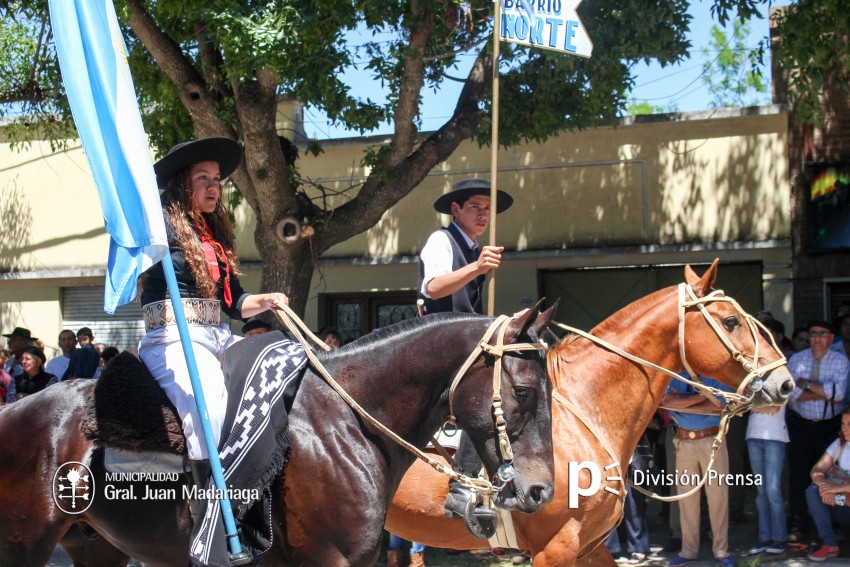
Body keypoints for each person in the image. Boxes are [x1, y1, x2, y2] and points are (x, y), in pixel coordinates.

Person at [137, 137, 289, 493]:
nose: (213, 186)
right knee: (207, 407)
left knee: (285, 362)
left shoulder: (213, 235)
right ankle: (212, 505)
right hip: (173, 338)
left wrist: (265, 300)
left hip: (217, 335)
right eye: (202, 177)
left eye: (217, 179)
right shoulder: (155, 226)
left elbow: (235, 303)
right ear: (180, 183)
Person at [417, 178, 513, 537]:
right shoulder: (441, 240)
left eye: (487, 208)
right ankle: (462, 488)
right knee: (484, 396)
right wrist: (476, 268)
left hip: (464, 343)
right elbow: (434, 287)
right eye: (475, 206)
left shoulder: (476, 249)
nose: (483, 213)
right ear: (455, 209)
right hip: (439, 343)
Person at [786, 320, 849, 539]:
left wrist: (806, 384)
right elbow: (792, 397)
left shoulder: (841, 361)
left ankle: (834, 525)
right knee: (799, 477)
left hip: (830, 427)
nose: (817, 338)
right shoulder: (796, 360)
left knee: (832, 476)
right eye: (813, 334)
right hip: (801, 426)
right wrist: (824, 391)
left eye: (822, 334)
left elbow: (839, 395)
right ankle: (799, 526)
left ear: (831, 338)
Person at [662, 375, 735, 567]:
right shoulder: (677, 375)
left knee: (718, 498)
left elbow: (722, 405)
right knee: (686, 499)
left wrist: (684, 404)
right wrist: (702, 398)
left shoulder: (714, 375)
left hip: (712, 441)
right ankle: (688, 550)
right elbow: (668, 402)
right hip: (683, 442)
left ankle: (721, 550)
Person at [806, 407, 850, 561]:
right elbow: (817, 469)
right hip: (841, 502)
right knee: (813, 492)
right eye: (843, 424)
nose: (845, 428)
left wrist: (839, 488)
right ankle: (830, 544)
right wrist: (824, 486)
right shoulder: (839, 443)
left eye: (849, 424)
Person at [745, 402, 788, 555]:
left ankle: (779, 538)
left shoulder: (780, 378)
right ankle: (764, 538)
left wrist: (751, 405)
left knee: (773, 490)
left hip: (775, 436)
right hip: (753, 435)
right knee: (761, 491)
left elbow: (775, 407)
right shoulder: (751, 379)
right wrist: (751, 405)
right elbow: (741, 403)